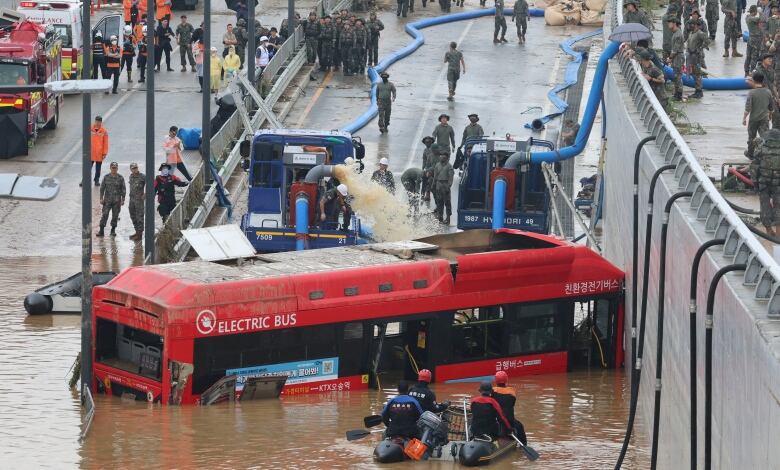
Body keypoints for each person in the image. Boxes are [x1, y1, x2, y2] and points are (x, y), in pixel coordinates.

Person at [491, 371, 528, 445]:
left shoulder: (492, 391)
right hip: (509, 420)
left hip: (494, 418)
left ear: (496, 380)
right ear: (506, 380)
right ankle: (523, 444)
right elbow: (512, 404)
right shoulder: (512, 392)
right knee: (520, 426)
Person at [744, 72, 773, 159]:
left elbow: (747, 108)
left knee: (751, 137)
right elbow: (771, 107)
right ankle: (765, 154)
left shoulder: (751, 93)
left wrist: (744, 118)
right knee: (765, 137)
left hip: (753, 119)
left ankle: (750, 154)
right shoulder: (768, 92)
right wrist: (770, 115)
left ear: (753, 80)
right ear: (762, 81)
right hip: (765, 119)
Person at [756, 129, 780, 236]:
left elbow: (754, 166)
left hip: (763, 182)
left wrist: (755, 183)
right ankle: (779, 233)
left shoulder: (761, 148)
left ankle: (769, 230)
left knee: (764, 205)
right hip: (778, 183)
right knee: (778, 206)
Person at [97, 162, 126, 238]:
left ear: (117, 168)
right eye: (113, 168)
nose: (114, 169)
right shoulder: (106, 177)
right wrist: (101, 198)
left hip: (117, 201)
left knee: (115, 216)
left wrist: (123, 199)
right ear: (110, 168)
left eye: (115, 168)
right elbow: (102, 188)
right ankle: (101, 230)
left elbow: (123, 189)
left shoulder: (120, 178)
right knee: (105, 214)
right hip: (107, 201)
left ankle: (113, 230)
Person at [83, 116, 109, 187]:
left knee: (98, 169)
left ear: (101, 122)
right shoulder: (90, 129)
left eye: (99, 122)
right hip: (90, 153)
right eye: (96, 121)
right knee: (87, 168)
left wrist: (104, 153)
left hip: (99, 153)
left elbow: (105, 143)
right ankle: (84, 180)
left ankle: (96, 180)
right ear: (95, 121)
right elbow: (86, 139)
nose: (97, 123)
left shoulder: (104, 131)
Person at [432, 149, 454, 224]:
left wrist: (449, 186)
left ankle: (448, 218)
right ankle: (440, 216)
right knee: (439, 201)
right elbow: (435, 176)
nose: (441, 158)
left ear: (447, 158)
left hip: (445, 184)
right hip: (438, 184)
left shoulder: (449, 166)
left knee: (447, 203)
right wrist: (433, 185)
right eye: (440, 156)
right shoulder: (437, 165)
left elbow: (451, 178)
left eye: (443, 157)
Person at [686, 19, 707, 99]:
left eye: (691, 24)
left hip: (697, 56)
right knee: (693, 73)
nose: (690, 26)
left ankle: (699, 91)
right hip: (691, 56)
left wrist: (700, 48)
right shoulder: (691, 33)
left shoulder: (700, 33)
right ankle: (697, 90)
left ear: (695, 25)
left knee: (697, 74)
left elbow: (707, 41)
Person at [666, 17, 684, 101]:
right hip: (676, 57)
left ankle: (679, 95)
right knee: (676, 75)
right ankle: (677, 93)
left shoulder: (678, 34)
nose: (668, 24)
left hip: (678, 57)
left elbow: (675, 49)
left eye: (669, 23)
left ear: (674, 23)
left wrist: (670, 58)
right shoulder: (675, 33)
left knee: (678, 76)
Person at [128, 162, 145, 241]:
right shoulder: (131, 176)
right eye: (133, 168)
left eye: (136, 168)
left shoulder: (142, 176)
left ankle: (140, 235)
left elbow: (151, 184)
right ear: (131, 169)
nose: (135, 169)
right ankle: (137, 231)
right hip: (131, 200)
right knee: (133, 216)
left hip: (139, 200)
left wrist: (145, 194)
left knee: (140, 217)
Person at [746, 6, 761, 75]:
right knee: (754, 56)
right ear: (755, 12)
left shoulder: (747, 17)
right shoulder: (751, 18)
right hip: (755, 39)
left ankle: (746, 71)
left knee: (748, 56)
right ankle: (752, 72)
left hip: (750, 39)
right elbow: (759, 19)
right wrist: (760, 13)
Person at [422, 138, 437, 204]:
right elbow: (424, 160)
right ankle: (426, 194)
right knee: (426, 181)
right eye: (426, 142)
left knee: (432, 182)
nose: (427, 143)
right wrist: (423, 168)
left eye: (428, 142)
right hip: (428, 168)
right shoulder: (425, 150)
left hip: (434, 168)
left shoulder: (434, 149)